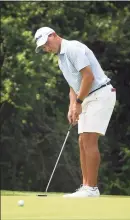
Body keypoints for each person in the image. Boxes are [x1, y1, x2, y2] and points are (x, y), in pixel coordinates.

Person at [34, 27, 116, 198]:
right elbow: (73, 84)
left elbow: (88, 77)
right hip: (87, 97)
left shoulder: (72, 48)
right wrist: (72, 106)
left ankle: (92, 188)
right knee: (81, 141)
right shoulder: (60, 59)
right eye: (43, 47)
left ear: (54, 35)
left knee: (88, 139)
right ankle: (86, 186)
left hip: (100, 94)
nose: (46, 48)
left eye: (46, 43)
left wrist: (78, 102)